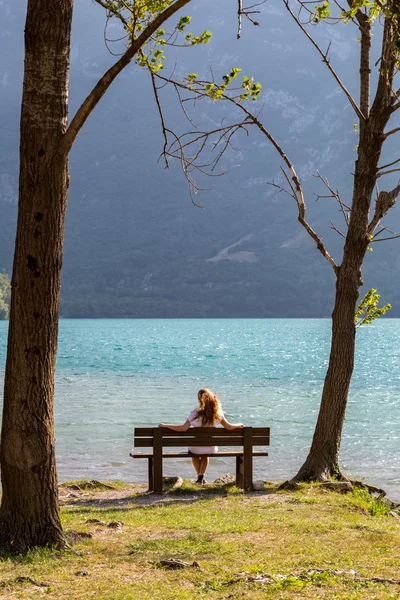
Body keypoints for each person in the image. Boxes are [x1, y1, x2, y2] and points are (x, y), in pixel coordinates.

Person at [159, 388, 244, 485]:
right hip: (210, 448)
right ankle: (201, 477)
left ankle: (199, 478)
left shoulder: (194, 413)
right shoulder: (217, 414)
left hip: (195, 448)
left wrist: (166, 425)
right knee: (205, 454)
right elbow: (229, 427)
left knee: (194, 453)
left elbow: (183, 428)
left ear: (200, 399)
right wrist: (239, 424)